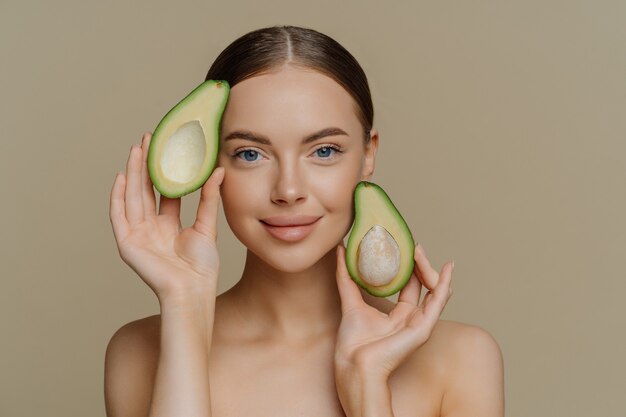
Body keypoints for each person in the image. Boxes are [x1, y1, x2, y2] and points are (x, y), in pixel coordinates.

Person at [105, 25, 504, 417]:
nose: (289, 189)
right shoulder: (139, 352)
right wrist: (184, 307)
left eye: (324, 151)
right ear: (210, 163)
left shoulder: (461, 360)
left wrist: (368, 389)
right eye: (250, 154)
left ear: (368, 155)